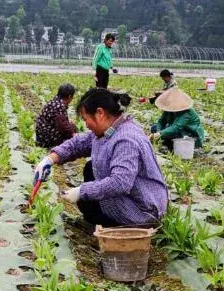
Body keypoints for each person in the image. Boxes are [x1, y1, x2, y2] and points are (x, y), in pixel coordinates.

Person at [33, 88, 168, 227]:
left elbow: (120, 182)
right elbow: (79, 143)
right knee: (91, 168)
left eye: (86, 119)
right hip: (133, 197)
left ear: (100, 113)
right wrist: (50, 159)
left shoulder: (126, 139)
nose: (85, 125)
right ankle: (100, 219)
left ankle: (113, 226)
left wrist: (82, 191)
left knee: (88, 197)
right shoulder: (110, 128)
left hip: (143, 211)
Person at [35, 83, 77, 148]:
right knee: (71, 135)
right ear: (70, 96)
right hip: (47, 138)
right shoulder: (59, 106)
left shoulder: (54, 101)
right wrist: (73, 127)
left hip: (41, 135)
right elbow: (62, 127)